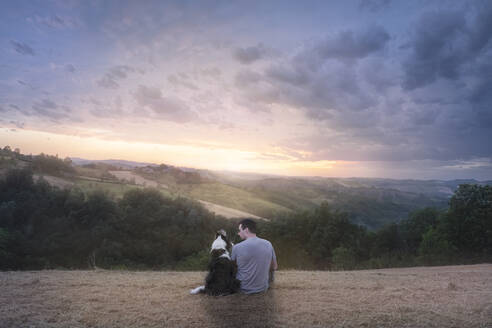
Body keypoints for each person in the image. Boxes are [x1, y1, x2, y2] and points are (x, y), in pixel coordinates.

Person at [231, 218, 277, 294]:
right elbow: (274, 267)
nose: (238, 233)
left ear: (246, 229)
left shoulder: (236, 247)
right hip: (263, 288)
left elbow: (232, 270)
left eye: (239, 230)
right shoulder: (268, 243)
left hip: (242, 289)